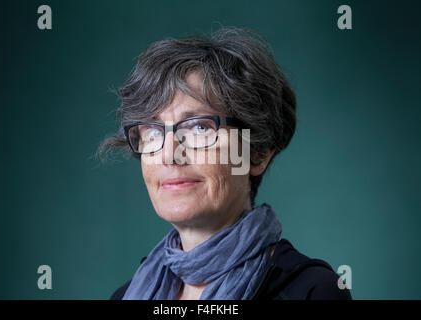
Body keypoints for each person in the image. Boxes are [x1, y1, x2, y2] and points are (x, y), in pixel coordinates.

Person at [98, 27, 352, 300]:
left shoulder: (311, 292)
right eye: (154, 131)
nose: (170, 154)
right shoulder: (126, 295)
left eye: (199, 127)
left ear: (258, 152)